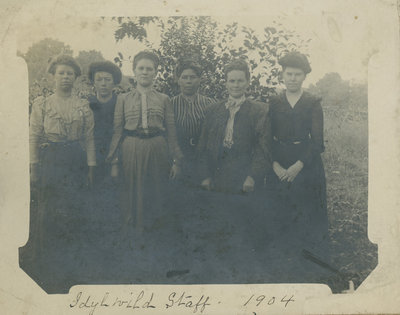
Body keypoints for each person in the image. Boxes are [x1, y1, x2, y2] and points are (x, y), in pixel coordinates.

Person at [196, 59, 271, 275]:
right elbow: (202, 147)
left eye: (240, 81)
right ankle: (219, 271)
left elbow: (263, 148)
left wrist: (252, 176)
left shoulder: (259, 111)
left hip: (243, 176)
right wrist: (205, 176)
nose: (235, 85)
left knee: (244, 223)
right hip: (218, 176)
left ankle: (244, 271)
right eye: (231, 81)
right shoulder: (214, 110)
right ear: (225, 83)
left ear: (248, 83)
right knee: (219, 222)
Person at [107, 51, 182, 241]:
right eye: (141, 68)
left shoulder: (164, 99)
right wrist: (114, 163)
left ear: (155, 72)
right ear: (134, 71)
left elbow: (171, 132)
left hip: (158, 148)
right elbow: (117, 132)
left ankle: (156, 239)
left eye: (149, 69)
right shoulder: (123, 99)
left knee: (156, 192)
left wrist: (176, 161)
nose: (145, 72)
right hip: (131, 147)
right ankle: (133, 238)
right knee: (131, 193)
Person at [28, 54, 96, 258]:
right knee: (49, 206)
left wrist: (91, 167)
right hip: (51, 160)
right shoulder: (42, 104)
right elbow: (33, 136)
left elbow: (89, 138)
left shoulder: (83, 106)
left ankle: (73, 257)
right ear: (53, 76)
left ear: (75, 77)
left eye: (70, 73)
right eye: (61, 73)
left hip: (75, 159)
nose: (65, 77)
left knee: (74, 205)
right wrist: (34, 167)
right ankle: (48, 256)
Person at [267, 51, 330, 263]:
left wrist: (298, 166)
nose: (293, 78)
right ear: (282, 75)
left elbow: (317, 141)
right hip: (279, 160)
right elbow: (266, 137)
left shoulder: (312, 102)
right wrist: (274, 165)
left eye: (297, 74)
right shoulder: (274, 102)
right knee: (280, 208)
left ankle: (309, 258)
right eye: (289, 74)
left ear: (304, 77)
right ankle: (283, 257)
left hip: (306, 162)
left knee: (307, 208)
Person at [86, 61, 123, 246]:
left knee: (115, 196)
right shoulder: (88, 103)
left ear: (114, 82)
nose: (103, 83)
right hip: (92, 156)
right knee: (94, 195)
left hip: (115, 156)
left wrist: (115, 160)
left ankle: (115, 239)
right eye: (99, 79)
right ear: (93, 82)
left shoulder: (120, 102)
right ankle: (96, 239)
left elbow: (121, 132)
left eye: (107, 79)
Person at [171, 59, 215, 186]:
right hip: (180, 158)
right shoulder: (170, 104)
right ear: (178, 80)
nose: (189, 81)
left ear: (200, 79)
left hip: (203, 160)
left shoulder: (210, 104)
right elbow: (168, 136)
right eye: (184, 77)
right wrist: (175, 162)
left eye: (193, 77)